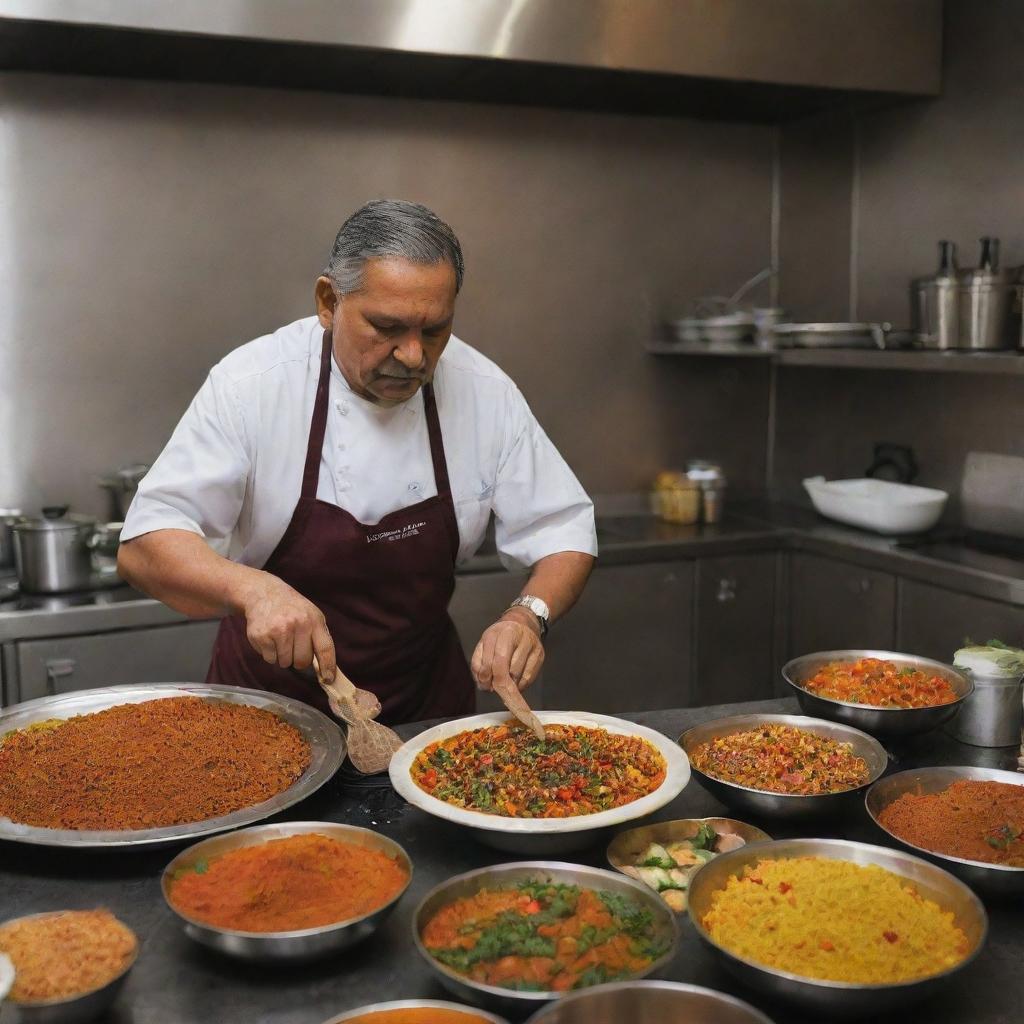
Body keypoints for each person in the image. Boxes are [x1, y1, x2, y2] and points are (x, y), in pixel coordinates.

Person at [118, 199, 596, 724]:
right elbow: (145, 547)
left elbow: (564, 528)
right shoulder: (251, 386)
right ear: (329, 301)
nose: (413, 356)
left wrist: (528, 617)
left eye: (435, 330)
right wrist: (254, 590)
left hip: (424, 711)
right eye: (386, 327)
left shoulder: (484, 391)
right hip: (265, 716)